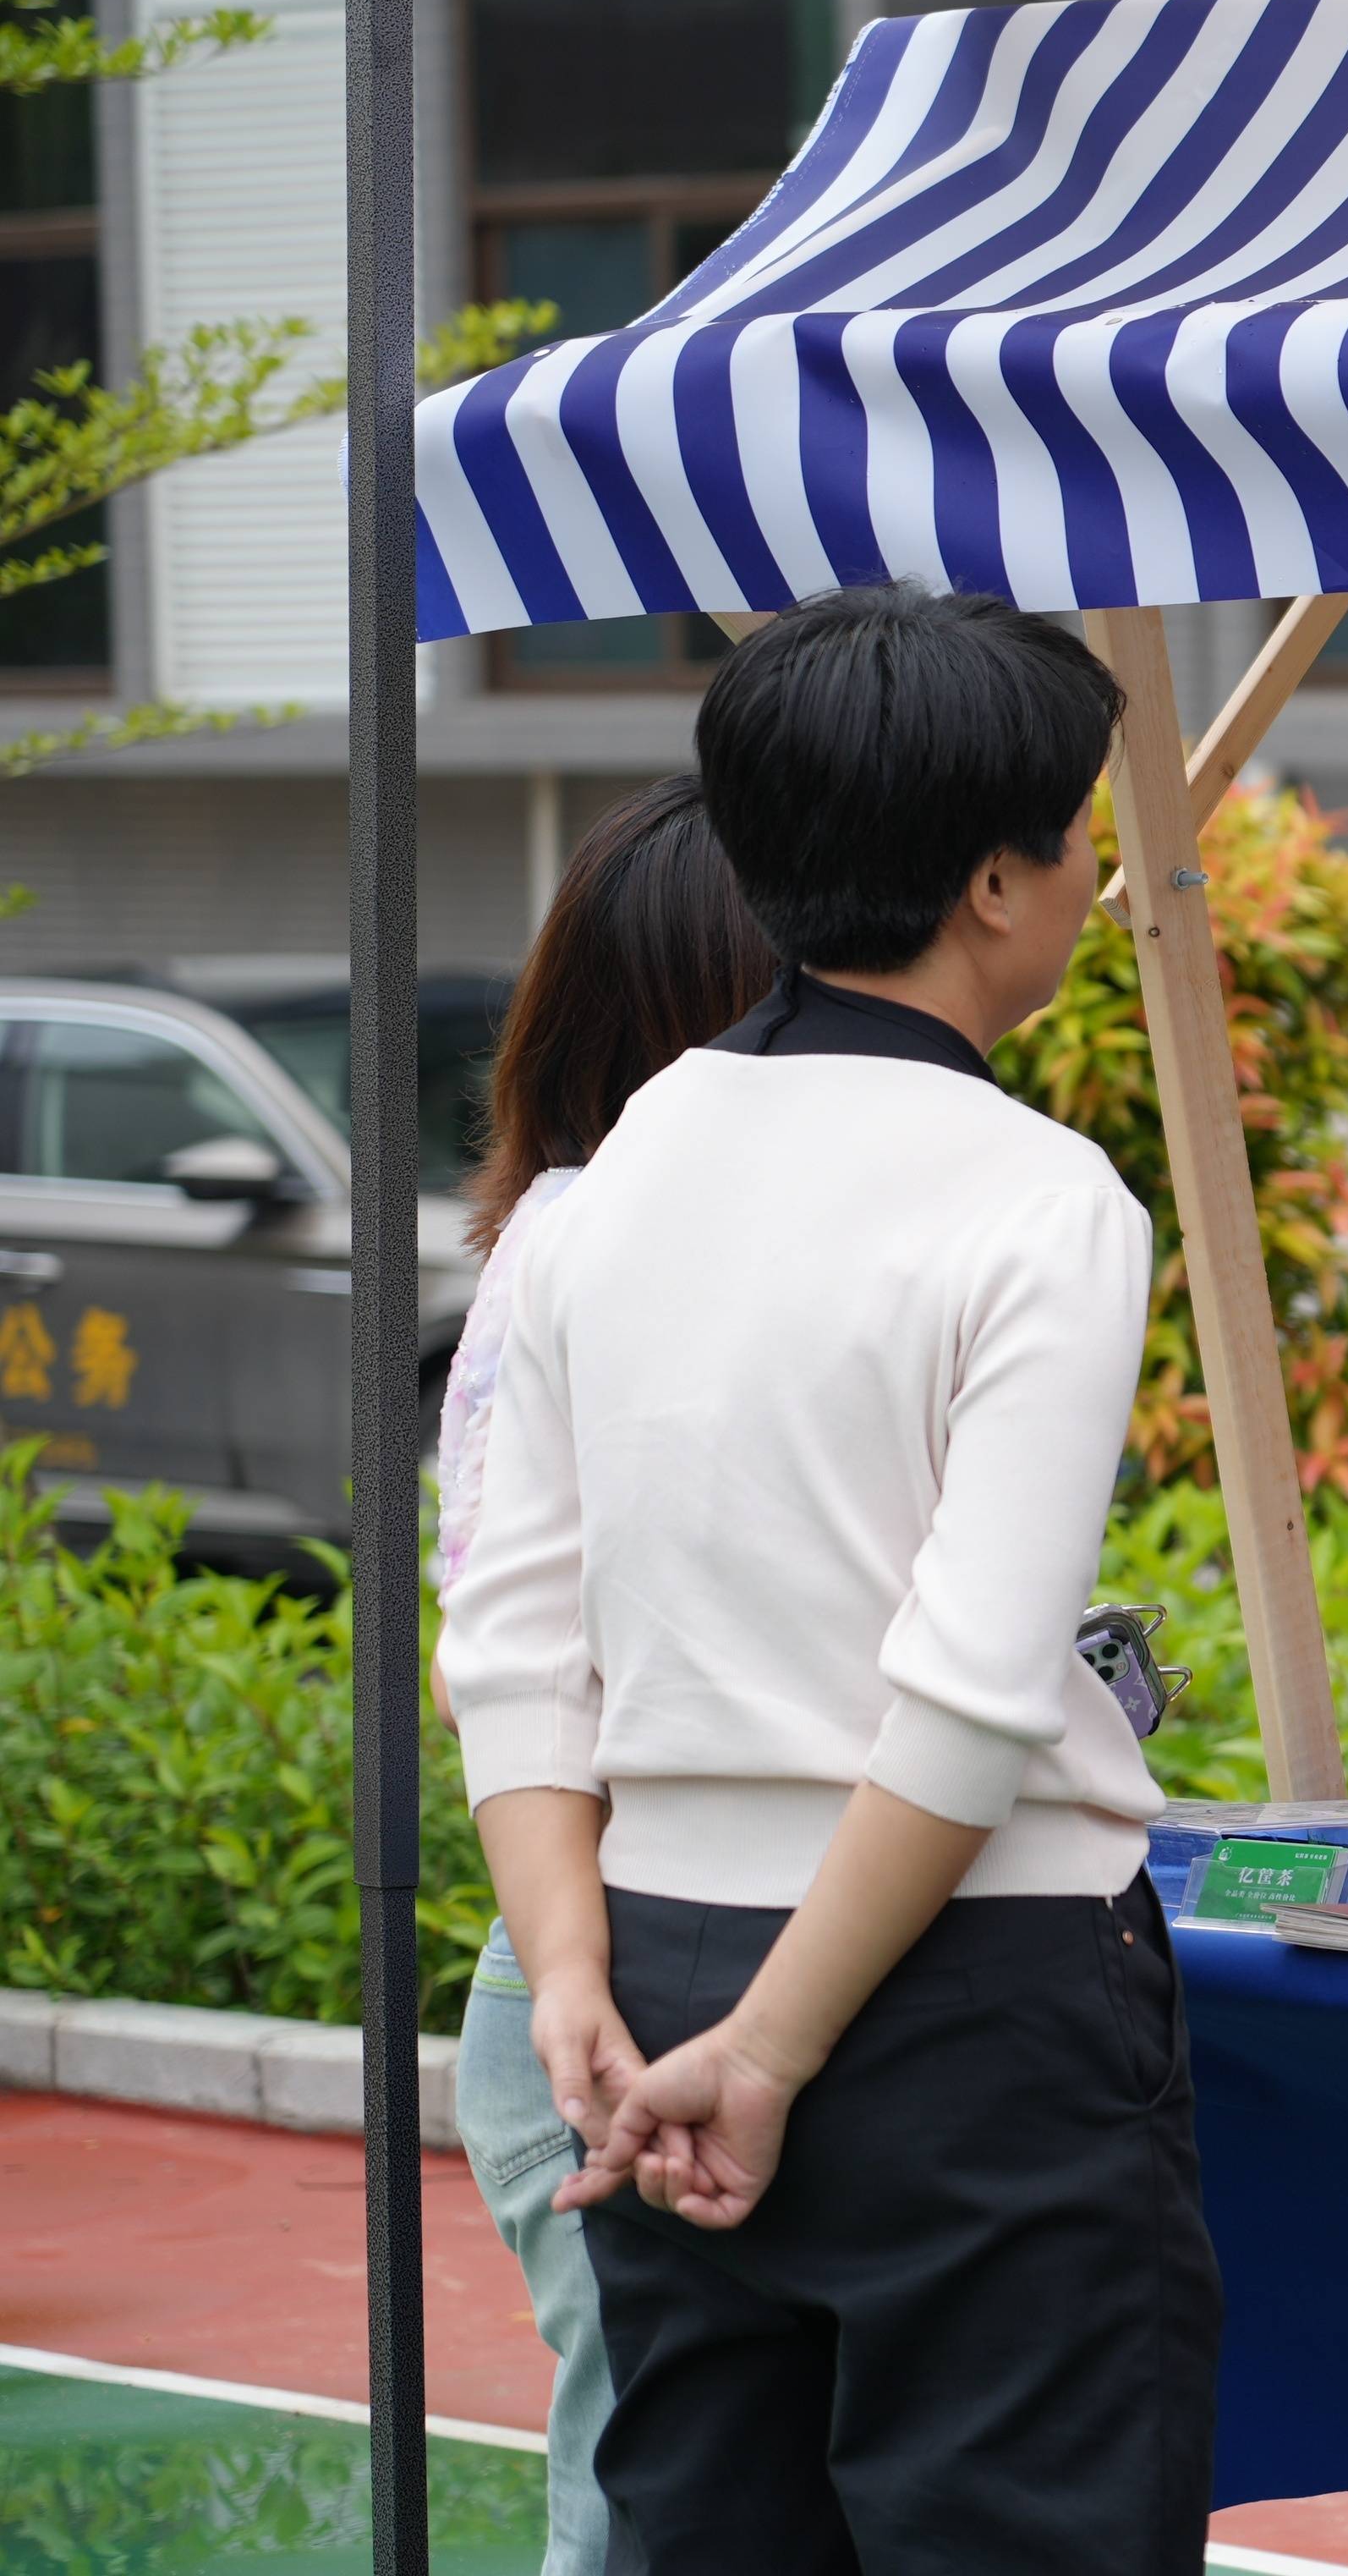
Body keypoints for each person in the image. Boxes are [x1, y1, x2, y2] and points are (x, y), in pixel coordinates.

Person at [436, 582, 1219, 2573]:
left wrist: (580, 1981)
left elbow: (513, 1647)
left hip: (651, 1957)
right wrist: (771, 2051)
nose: (1086, 875)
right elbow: (965, 1693)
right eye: (1073, 834)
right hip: (970, 2000)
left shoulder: (601, 1191)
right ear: (990, 884)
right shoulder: (1042, 1197)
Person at [436, 775, 776, 2576]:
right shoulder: (577, 1249)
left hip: (658, 1976)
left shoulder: (721, 1252)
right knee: (658, 2510)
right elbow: (498, 1651)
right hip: (611, 1985)